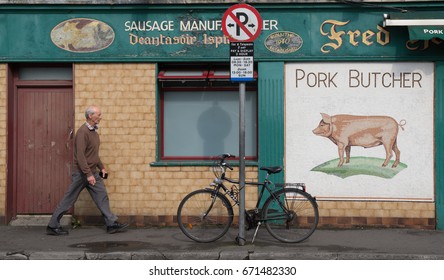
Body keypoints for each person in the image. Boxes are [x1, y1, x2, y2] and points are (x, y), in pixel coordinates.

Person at [46, 105, 128, 235]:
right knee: (69, 199)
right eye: (98, 115)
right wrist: (88, 174)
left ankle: (111, 224)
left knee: (102, 196)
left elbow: (93, 154)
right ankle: (52, 225)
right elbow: (80, 156)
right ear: (90, 116)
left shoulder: (94, 132)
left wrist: (102, 167)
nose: (100, 117)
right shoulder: (82, 132)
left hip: (92, 172)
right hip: (81, 173)